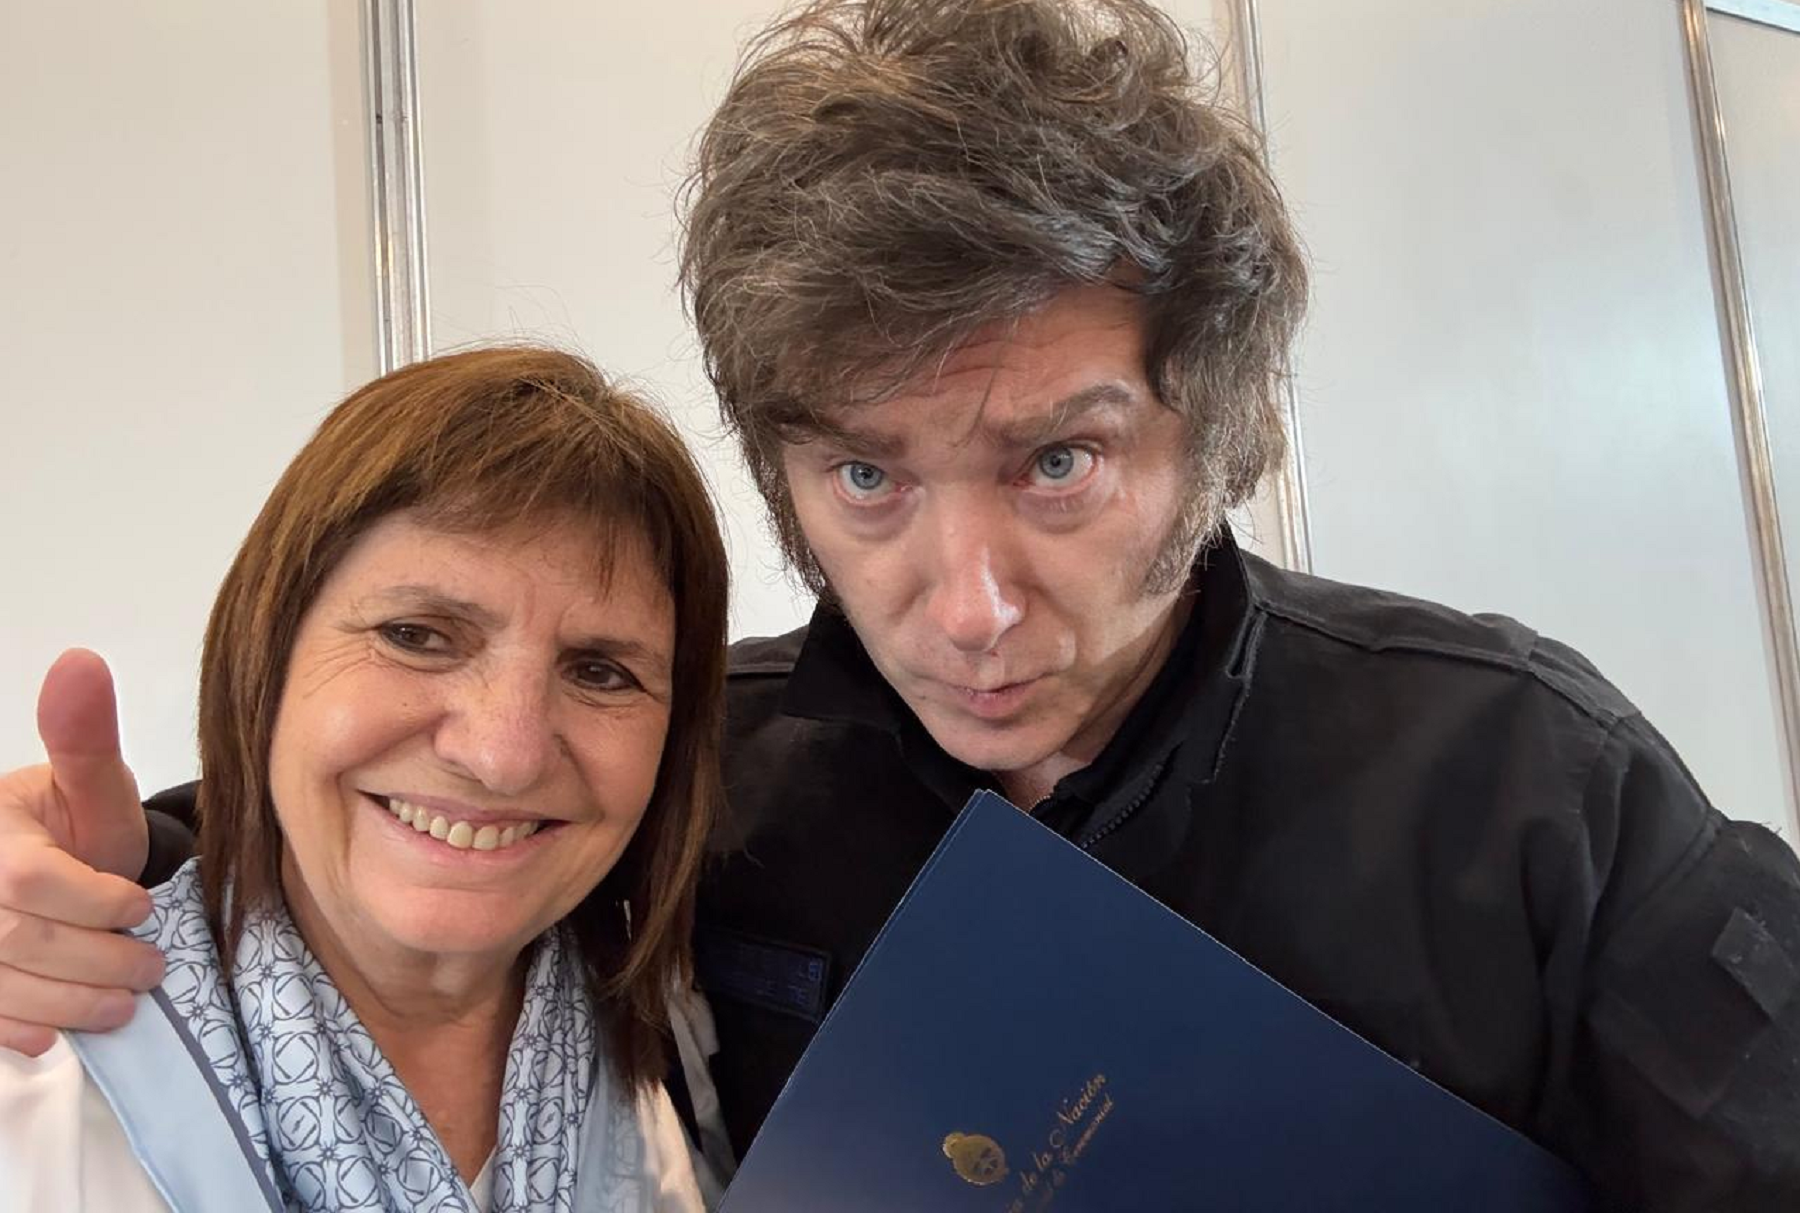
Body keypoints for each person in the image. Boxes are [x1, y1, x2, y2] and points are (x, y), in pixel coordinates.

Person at [0, 1, 1797, 1209]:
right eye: (868, 476)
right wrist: (89, 881)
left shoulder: (1522, 777)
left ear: (1218, 429)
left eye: (1059, 462)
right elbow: (409, 819)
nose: (972, 606)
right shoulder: (697, 770)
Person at [0, 347, 725, 1211]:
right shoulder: (38, 1085)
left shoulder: (676, 1055)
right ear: (265, 656)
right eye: (417, 635)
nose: (503, 753)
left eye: (601, 672)